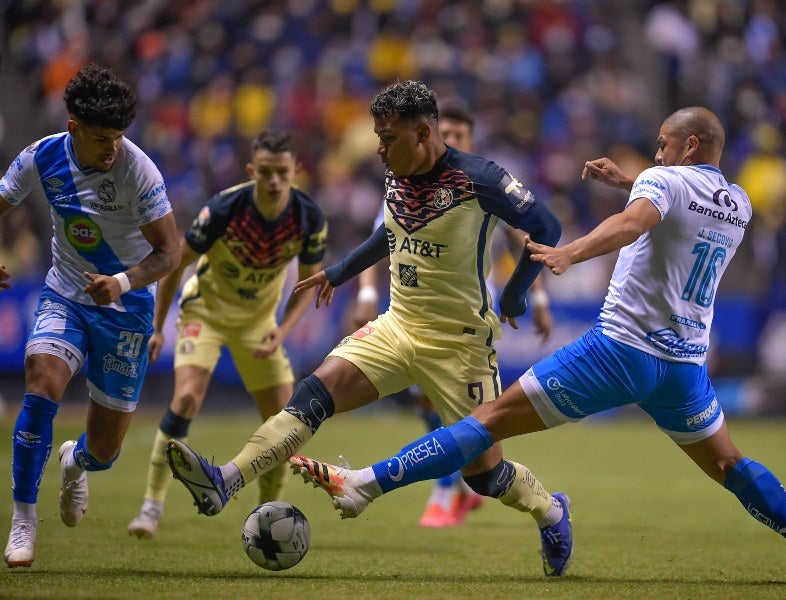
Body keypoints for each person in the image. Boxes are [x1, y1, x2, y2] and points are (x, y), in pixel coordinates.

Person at [291, 107, 786, 584]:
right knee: (731, 464)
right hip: (684, 367)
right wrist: (629, 180)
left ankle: (364, 485)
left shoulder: (662, 183)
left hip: (618, 351)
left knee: (485, 422)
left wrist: (571, 252)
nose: (656, 153)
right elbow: (673, 199)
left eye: (663, 144)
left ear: (689, 145)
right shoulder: (737, 204)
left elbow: (635, 222)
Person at [165, 80, 571, 575]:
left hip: (460, 346)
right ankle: (224, 480)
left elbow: (547, 228)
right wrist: (339, 272)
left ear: (424, 132)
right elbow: (391, 232)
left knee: (484, 478)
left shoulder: (479, 179)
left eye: (388, 138)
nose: (378, 149)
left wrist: (515, 293)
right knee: (314, 394)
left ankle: (551, 510)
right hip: (397, 326)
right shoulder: (398, 172)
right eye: (377, 137)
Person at [1, 63, 180, 568]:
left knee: (105, 451)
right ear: (74, 126)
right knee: (41, 384)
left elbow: (171, 252)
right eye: (102, 138)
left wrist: (121, 282)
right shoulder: (42, 156)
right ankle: (23, 521)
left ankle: (76, 462)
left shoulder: (138, 171)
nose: (113, 149)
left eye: (119, 137)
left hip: (126, 309)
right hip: (66, 293)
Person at [351, 102, 554, 528]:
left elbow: (527, 242)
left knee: (471, 427)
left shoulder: (480, 183)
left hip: (469, 317)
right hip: (414, 310)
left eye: (463, 137)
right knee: (428, 400)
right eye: (453, 134)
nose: (456, 142)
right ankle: (450, 486)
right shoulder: (406, 184)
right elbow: (380, 239)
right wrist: (366, 293)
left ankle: (458, 486)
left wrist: (536, 301)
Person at [126, 130, 328, 539]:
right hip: (207, 310)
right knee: (185, 397)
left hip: (258, 323)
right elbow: (175, 263)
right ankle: (151, 506)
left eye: (282, 173)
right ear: (252, 170)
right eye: (266, 172)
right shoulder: (224, 209)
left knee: (284, 423)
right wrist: (158, 327)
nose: (274, 182)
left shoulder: (309, 218)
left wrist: (282, 330)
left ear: (296, 171)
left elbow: (308, 284)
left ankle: (265, 520)